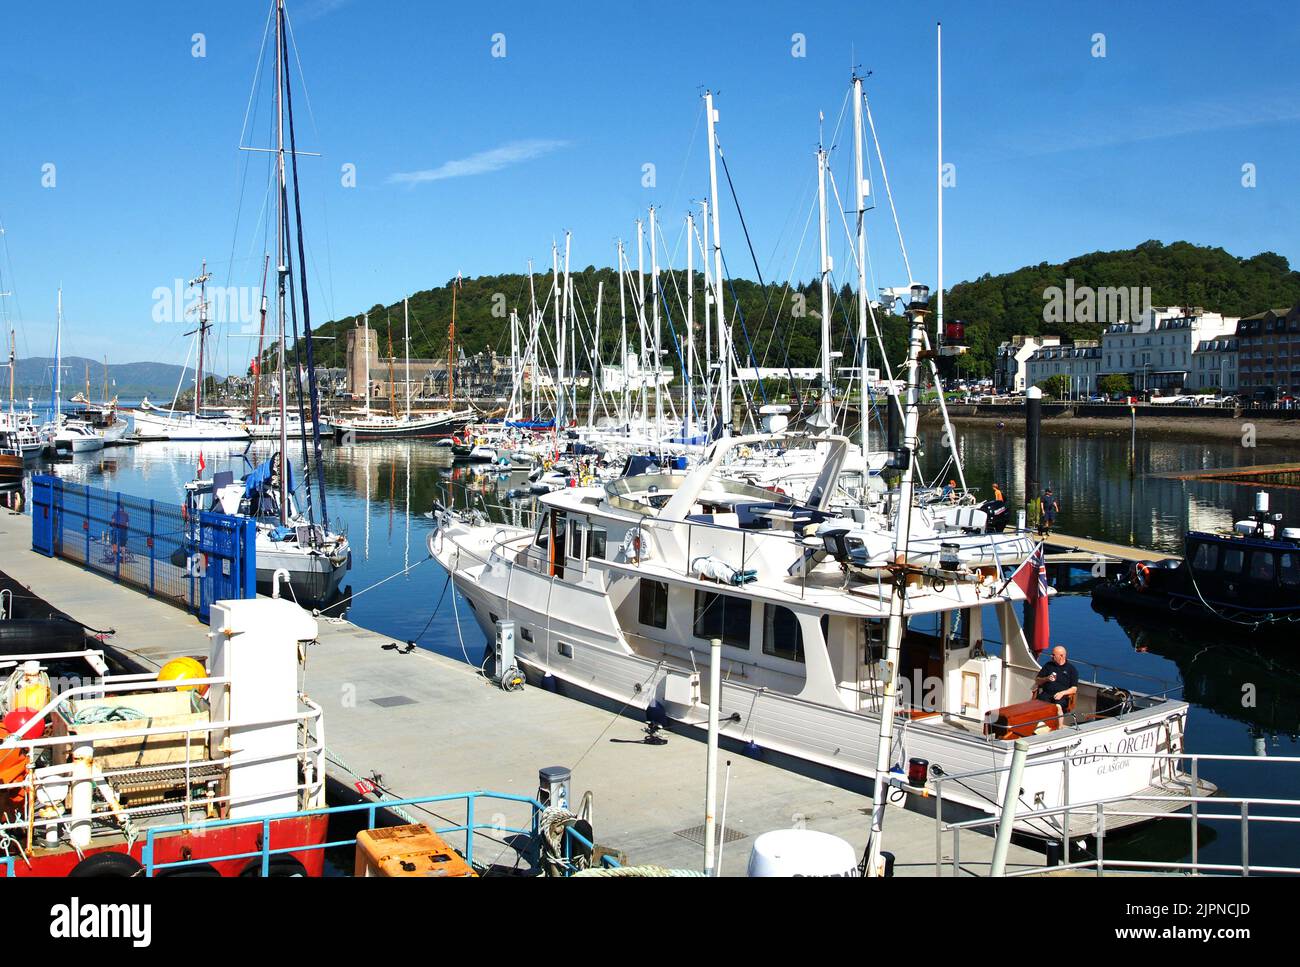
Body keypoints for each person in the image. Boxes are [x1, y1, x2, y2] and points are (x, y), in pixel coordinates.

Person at [1033, 645, 1079, 715]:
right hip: (1046, 694)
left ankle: (1059, 725)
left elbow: (1074, 688)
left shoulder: (1071, 669)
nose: (1051, 656)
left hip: (1061, 697)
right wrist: (1046, 678)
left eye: (1053, 655)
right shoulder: (1048, 665)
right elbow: (1037, 680)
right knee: (1038, 704)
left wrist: (1062, 693)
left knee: (1057, 707)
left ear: (1061, 656)